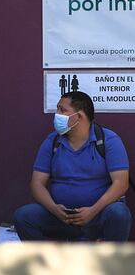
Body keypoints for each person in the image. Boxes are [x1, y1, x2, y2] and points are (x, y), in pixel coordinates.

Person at [13, 91, 132, 241]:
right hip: (61, 218)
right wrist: (55, 209)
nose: (57, 114)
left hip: (97, 216)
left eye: (62, 110)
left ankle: (109, 263)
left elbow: (121, 183)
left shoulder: (109, 140)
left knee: (119, 213)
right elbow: (36, 184)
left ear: (79, 116)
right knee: (23, 216)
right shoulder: (52, 142)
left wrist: (92, 212)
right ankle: (50, 263)